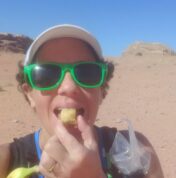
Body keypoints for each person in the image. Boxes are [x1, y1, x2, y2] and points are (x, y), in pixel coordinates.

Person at [0, 24, 164, 178]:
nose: (69, 87)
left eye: (87, 73)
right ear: (29, 94)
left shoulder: (136, 150)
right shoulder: (5, 161)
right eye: (47, 74)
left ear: (101, 90)